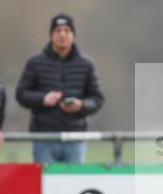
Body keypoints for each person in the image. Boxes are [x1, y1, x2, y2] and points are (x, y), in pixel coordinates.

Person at [15, 13, 104, 163]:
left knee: (74, 184)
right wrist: (43, 99)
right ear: (51, 35)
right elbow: (21, 94)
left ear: (73, 35)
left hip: (75, 137)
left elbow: (97, 98)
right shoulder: (35, 62)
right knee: (46, 183)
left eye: (67, 30)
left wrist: (81, 105)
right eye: (58, 31)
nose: (62, 34)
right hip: (44, 138)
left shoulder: (87, 64)